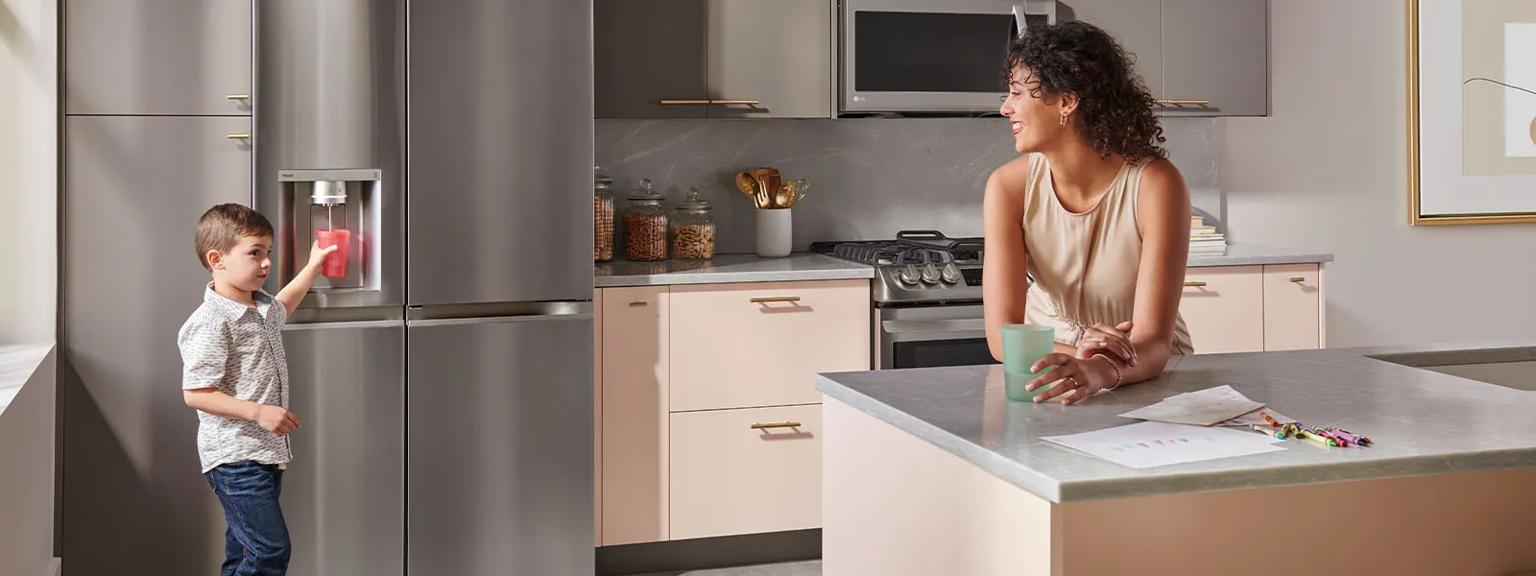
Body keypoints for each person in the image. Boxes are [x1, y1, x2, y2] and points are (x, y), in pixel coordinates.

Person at [983, 21, 1195, 405]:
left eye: (1017, 93)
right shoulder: (1007, 188)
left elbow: (1153, 342)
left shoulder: (1156, 185)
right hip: (1049, 376)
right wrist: (1080, 353)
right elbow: (1003, 338)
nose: (1005, 107)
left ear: (1066, 101)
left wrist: (1098, 369)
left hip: (1149, 381)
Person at [178, 203, 335, 575]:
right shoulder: (211, 323)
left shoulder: (259, 308)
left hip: (263, 454)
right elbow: (195, 392)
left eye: (267, 252)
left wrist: (312, 267)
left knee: (244, 551)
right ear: (217, 259)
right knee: (269, 550)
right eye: (255, 253)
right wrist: (258, 412)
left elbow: (285, 305)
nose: (266, 263)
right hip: (234, 458)